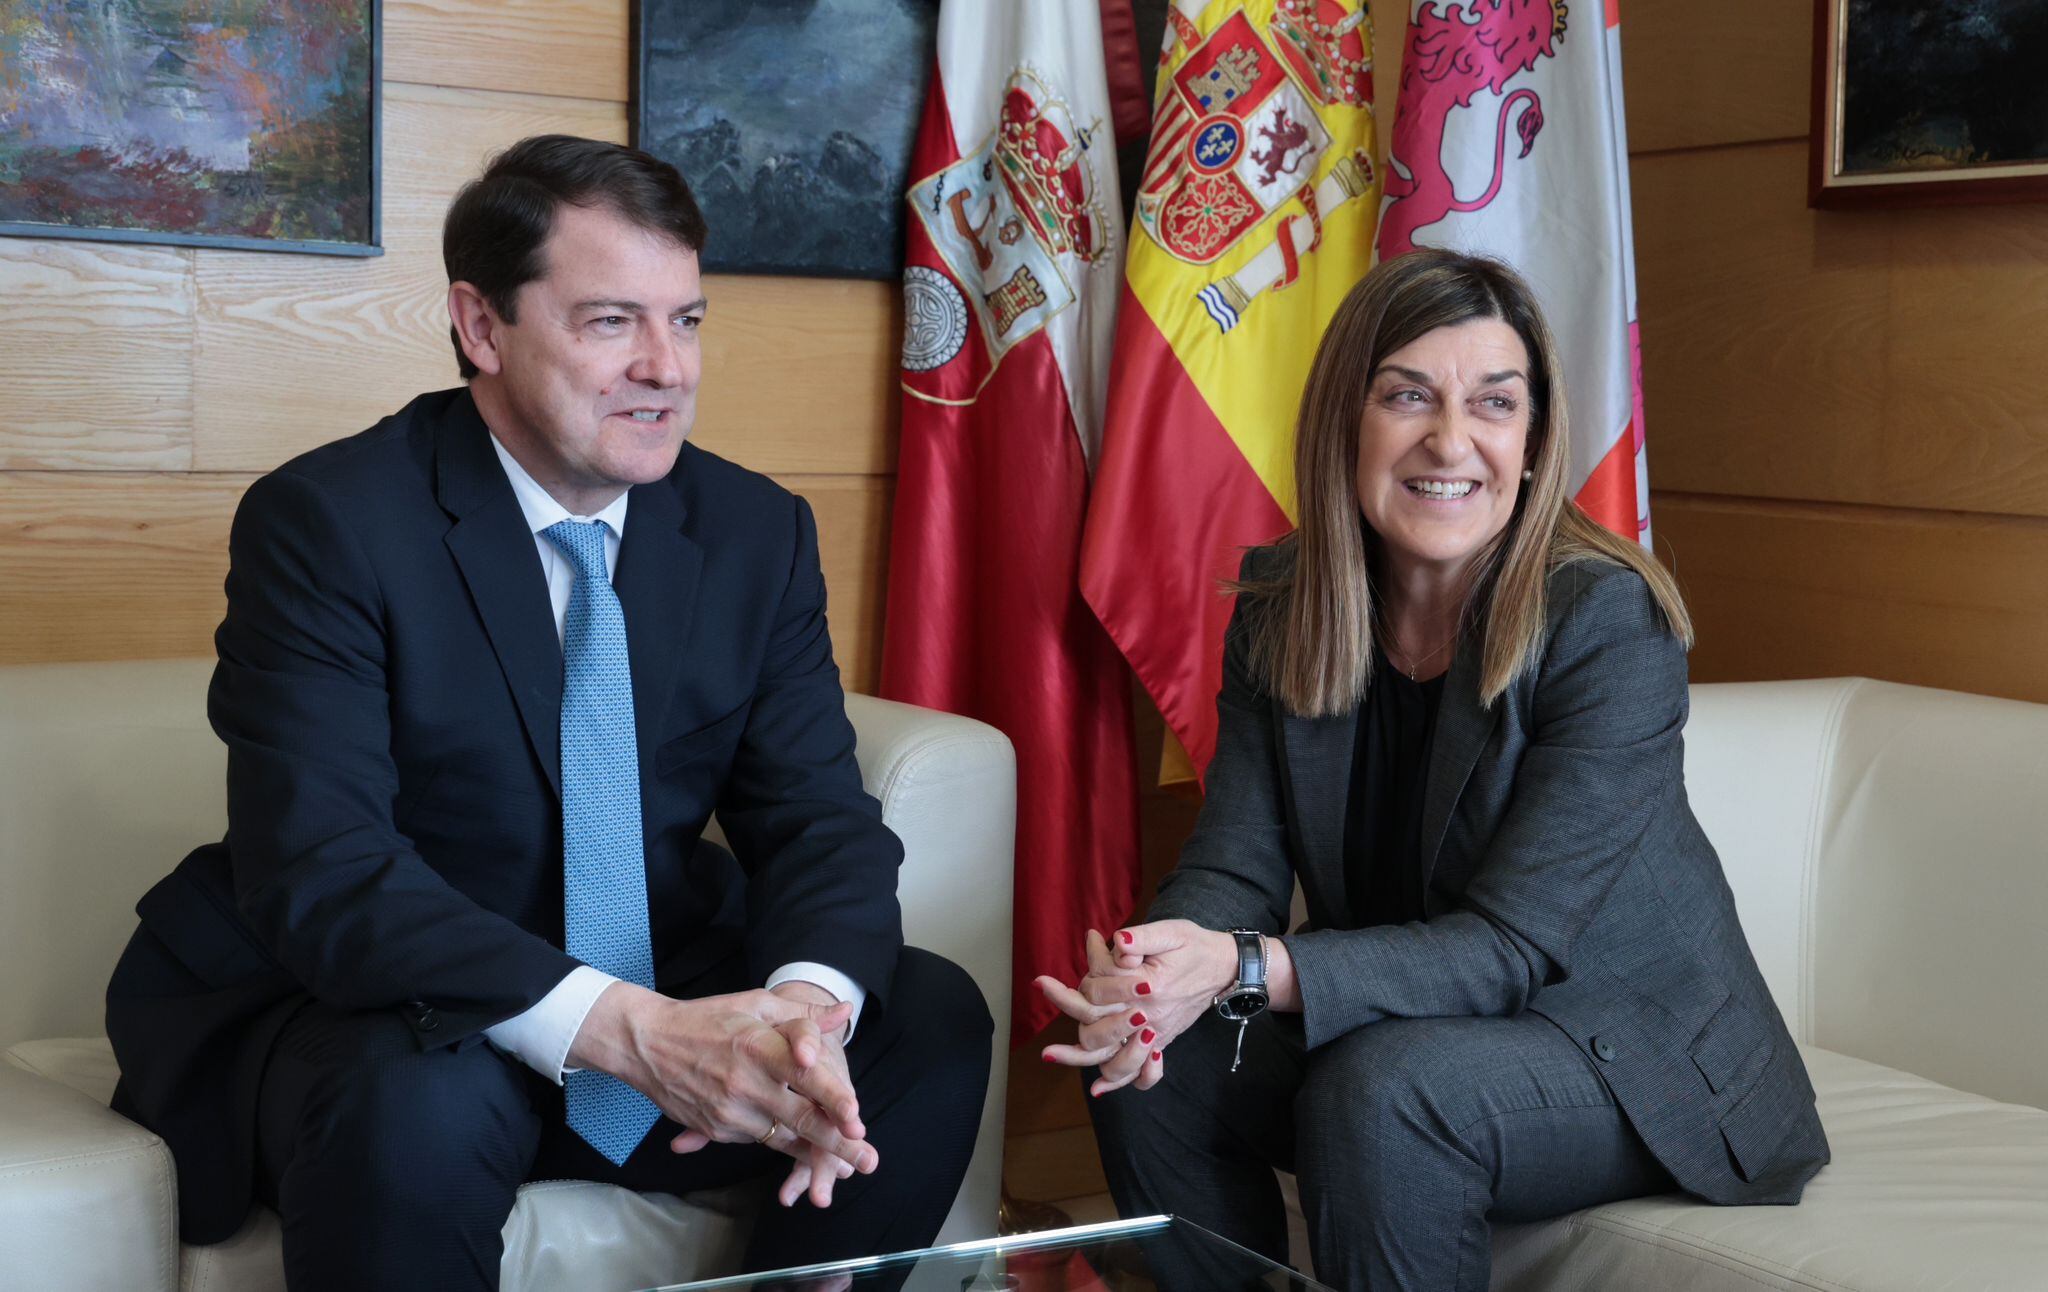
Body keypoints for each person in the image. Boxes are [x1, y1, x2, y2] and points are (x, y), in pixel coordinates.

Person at [103, 134, 992, 1291]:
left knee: (920, 1010)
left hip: (641, 978)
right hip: (380, 999)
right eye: (611, 321)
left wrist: (799, 1017)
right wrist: (633, 1032)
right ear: (482, 326)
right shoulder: (329, 521)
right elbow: (325, 870)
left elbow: (816, 815)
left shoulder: (751, 531)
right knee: (413, 1094)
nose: (666, 368)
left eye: (687, 320)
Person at [1038, 250, 1828, 1289]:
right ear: (1344, 423)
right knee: (1143, 1055)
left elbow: (1509, 946)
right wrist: (1155, 971)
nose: (1448, 440)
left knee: (1379, 1089)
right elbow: (1233, 866)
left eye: (1491, 404)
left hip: (1628, 1050)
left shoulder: (1602, 621)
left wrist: (1239, 967)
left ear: (1532, 442)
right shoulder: (1286, 600)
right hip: (1429, 1020)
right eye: (1406, 395)